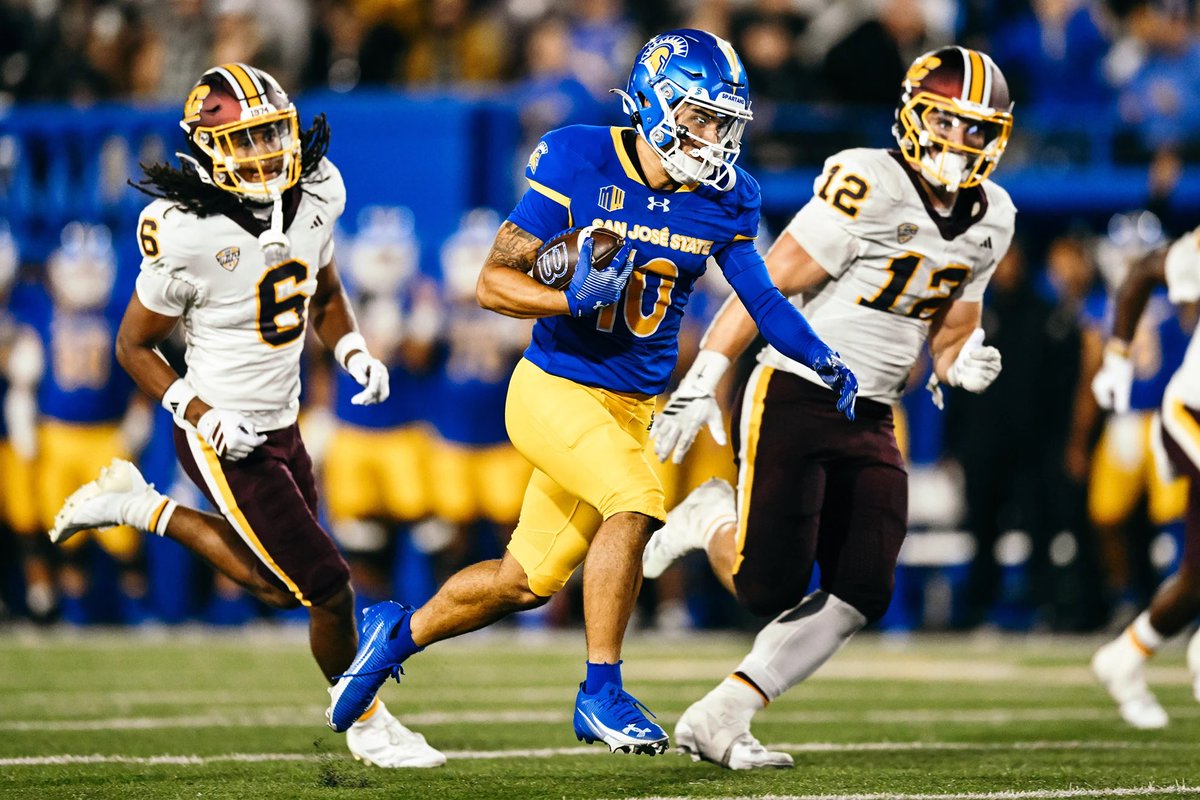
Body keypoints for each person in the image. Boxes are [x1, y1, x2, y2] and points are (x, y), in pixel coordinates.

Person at [325, 29, 858, 756]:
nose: (714, 138)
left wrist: (820, 355)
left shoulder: (726, 198)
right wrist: (569, 299)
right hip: (554, 389)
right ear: (654, 103)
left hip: (630, 408)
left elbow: (761, 301)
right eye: (700, 117)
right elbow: (492, 282)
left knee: (523, 581)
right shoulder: (579, 155)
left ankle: (393, 635)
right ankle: (600, 691)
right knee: (637, 502)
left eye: (724, 122)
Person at [46, 62, 443, 768]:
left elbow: (322, 289)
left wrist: (353, 351)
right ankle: (368, 722)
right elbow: (134, 346)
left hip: (283, 419)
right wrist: (197, 413)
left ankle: (142, 508)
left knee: (279, 584)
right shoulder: (185, 230)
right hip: (222, 430)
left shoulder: (319, 188)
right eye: (246, 141)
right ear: (205, 148)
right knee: (327, 587)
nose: (264, 156)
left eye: (271, 137)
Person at [643, 46, 1015, 768]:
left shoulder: (993, 216)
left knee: (864, 587)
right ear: (913, 115)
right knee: (766, 586)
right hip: (796, 392)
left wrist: (958, 361)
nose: (961, 143)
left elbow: (953, 326)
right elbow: (768, 286)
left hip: (874, 412)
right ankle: (710, 515)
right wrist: (706, 374)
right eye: (947, 122)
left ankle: (723, 715)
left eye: (977, 130)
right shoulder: (867, 180)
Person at [1090, 225, 1200, 730]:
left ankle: (1125, 658)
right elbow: (1143, 272)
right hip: (1193, 412)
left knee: (1195, 581)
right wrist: (1115, 358)